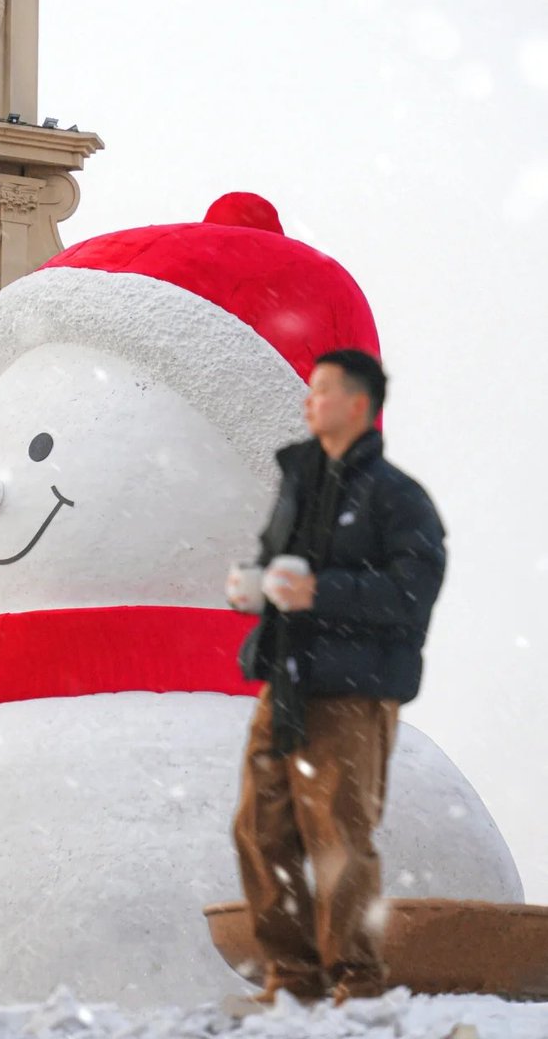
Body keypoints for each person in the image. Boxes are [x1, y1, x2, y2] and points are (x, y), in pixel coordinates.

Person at [226, 348, 446, 1006]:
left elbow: (413, 590)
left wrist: (321, 591)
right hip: (285, 683)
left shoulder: (398, 497)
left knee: (338, 836)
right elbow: (279, 565)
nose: (307, 400)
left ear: (358, 404)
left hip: (352, 691)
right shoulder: (299, 480)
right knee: (259, 828)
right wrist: (255, 588)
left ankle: (357, 981)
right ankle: (291, 979)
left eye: (320, 389)